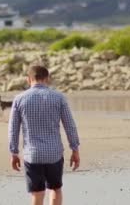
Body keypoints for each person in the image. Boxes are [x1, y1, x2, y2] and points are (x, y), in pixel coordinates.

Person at [8, 65, 81, 205]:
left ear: (28, 79)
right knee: (55, 188)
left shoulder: (19, 99)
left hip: (32, 154)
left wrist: (13, 153)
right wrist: (75, 149)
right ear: (47, 79)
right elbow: (70, 125)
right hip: (54, 153)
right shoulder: (59, 97)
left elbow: (13, 129)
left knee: (37, 193)